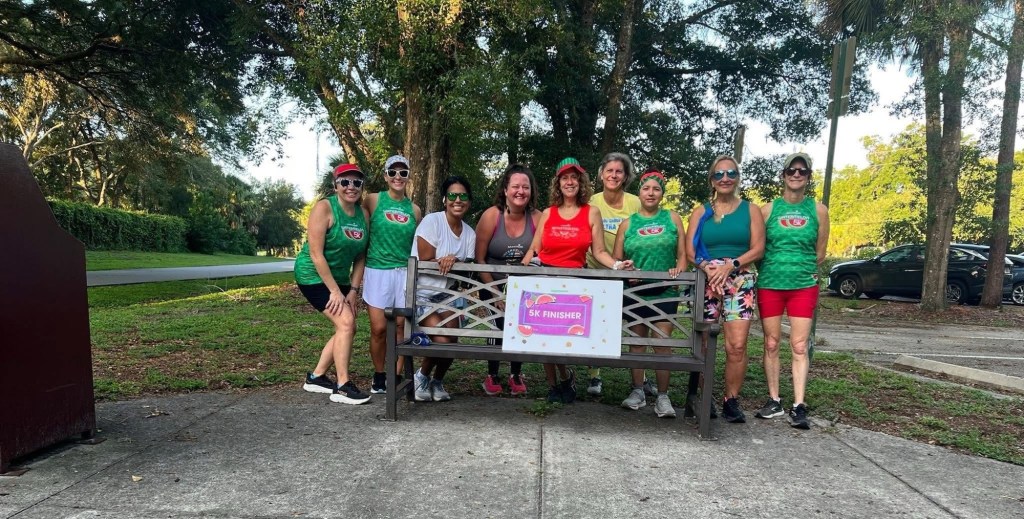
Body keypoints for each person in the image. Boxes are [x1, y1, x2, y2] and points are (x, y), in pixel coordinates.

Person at [522, 157, 634, 404]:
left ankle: (567, 376)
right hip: (547, 279)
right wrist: (521, 274)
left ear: (581, 181)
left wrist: (617, 265)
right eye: (565, 177)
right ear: (558, 183)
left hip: (574, 282)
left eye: (574, 177)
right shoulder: (548, 213)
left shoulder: (591, 212)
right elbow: (534, 249)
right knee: (544, 338)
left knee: (563, 338)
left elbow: (599, 251)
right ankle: (555, 384)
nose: (570, 182)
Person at [685, 155, 765, 423]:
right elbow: (689, 250)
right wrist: (708, 269)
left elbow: (758, 248)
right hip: (707, 279)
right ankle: (704, 395)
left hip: (739, 279)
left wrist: (732, 265)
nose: (725, 178)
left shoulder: (750, 210)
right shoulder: (701, 212)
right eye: (719, 174)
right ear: (712, 180)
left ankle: (731, 399)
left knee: (737, 345)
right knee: (704, 342)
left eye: (731, 173)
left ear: (738, 178)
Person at [754, 152, 830, 429]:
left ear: (809, 177)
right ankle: (774, 400)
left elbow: (820, 252)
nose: (796, 175)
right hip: (770, 283)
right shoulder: (767, 210)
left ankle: (799, 405)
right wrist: (774, 268)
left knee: (799, 345)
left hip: (803, 285)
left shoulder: (818, 210)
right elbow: (758, 249)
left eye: (802, 171)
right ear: (783, 175)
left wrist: (799, 268)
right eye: (791, 170)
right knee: (771, 343)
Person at [612, 169, 688, 418]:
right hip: (636, 291)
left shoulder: (672, 218)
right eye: (646, 188)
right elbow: (617, 259)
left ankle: (663, 397)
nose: (651, 193)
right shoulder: (628, 224)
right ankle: (638, 391)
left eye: (656, 189)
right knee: (637, 343)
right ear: (640, 192)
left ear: (662, 194)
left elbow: (683, 256)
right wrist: (626, 270)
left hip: (665, 290)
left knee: (662, 343)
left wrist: (679, 270)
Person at [298, 163, 372, 404]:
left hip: (340, 279)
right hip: (312, 275)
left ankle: (317, 377)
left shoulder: (363, 215)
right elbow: (316, 254)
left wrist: (353, 291)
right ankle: (342, 386)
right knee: (346, 323)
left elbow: (361, 256)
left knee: (348, 326)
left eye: (356, 182)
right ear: (336, 185)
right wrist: (334, 292)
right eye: (345, 182)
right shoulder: (324, 208)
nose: (351, 187)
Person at [474, 164, 542, 396]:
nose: (520, 191)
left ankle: (515, 373)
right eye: (515, 186)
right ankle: (492, 374)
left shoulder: (537, 218)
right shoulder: (491, 216)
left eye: (525, 187)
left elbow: (541, 254)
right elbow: (479, 259)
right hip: (491, 282)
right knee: (498, 323)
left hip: (524, 287)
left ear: (531, 191)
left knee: (521, 324)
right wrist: (495, 293)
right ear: (505, 190)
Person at [411, 176, 477, 402]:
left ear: (469, 201)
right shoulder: (432, 221)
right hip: (422, 294)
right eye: (452, 195)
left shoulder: (469, 233)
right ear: (444, 199)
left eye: (463, 195)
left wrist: (454, 259)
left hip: (447, 295)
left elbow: (467, 270)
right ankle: (421, 377)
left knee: (453, 339)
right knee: (442, 340)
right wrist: (444, 259)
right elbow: (425, 258)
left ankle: (437, 381)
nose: (458, 200)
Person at [362, 155, 422, 394]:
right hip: (377, 270)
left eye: (403, 172)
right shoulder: (373, 200)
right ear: (386, 176)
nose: (398, 176)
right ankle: (379, 374)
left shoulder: (414, 210)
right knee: (378, 328)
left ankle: (395, 375)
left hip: (404, 273)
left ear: (408, 177)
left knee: (400, 327)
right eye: (393, 172)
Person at [585, 152, 642, 397]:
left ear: (626, 176)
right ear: (601, 174)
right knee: (595, 324)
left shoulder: (636, 203)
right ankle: (594, 375)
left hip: (627, 274)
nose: (614, 175)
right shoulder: (591, 201)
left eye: (619, 171)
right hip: (595, 271)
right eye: (609, 170)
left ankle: (640, 380)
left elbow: (644, 234)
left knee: (635, 325)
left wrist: (634, 266)